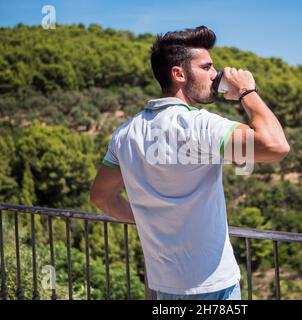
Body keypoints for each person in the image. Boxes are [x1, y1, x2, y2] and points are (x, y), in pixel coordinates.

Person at [90, 26, 290, 300]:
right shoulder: (201, 125)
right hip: (213, 286)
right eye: (207, 67)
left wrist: (149, 220)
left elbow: (101, 197)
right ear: (179, 74)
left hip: (161, 286)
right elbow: (277, 146)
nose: (214, 74)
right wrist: (247, 91)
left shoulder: (125, 133)